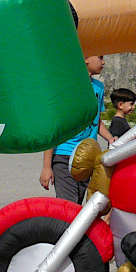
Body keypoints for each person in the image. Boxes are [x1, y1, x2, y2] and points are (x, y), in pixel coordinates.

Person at [40, 55, 114, 203]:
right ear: (86, 59)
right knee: (68, 205)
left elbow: (96, 120)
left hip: (87, 157)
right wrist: (47, 166)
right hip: (64, 155)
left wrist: (110, 138)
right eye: (100, 57)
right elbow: (55, 127)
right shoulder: (67, 86)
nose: (103, 62)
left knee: (78, 205)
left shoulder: (99, 87)